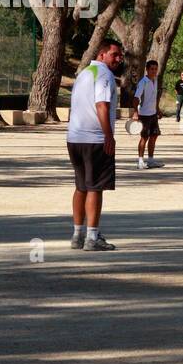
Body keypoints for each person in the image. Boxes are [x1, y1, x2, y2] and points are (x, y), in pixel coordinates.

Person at [67, 40, 125, 252]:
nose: (119, 59)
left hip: (75, 139)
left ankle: (77, 235)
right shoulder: (104, 75)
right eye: (114, 54)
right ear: (102, 55)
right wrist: (108, 135)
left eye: (120, 56)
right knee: (95, 187)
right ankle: (92, 237)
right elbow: (102, 104)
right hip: (95, 140)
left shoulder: (83, 74)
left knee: (81, 186)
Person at [132, 60, 163, 169]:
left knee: (154, 136)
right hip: (144, 115)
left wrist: (157, 109)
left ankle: (150, 160)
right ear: (147, 69)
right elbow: (136, 98)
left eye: (155, 69)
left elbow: (155, 97)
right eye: (152, 69)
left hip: (153, 114)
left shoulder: (155, 80)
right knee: (144, 137)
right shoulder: (143, 82)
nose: (154, 71)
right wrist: (135, 112)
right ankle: (140, 161)